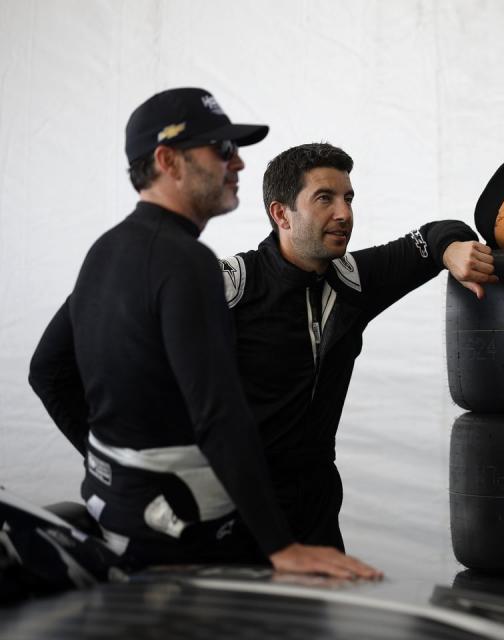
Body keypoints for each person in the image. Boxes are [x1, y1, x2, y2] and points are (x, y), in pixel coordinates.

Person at [28, 88, 379, 579]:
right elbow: (218, 413)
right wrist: (281, 546)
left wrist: (108, 466)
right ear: (168, 160)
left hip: (122, 523)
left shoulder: (106, 251)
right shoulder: (185, 262)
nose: (236, 164)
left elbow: (46, 372)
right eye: (221, 150)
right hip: (184, 543)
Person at [219, 142, 496, 552]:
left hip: (314, 515)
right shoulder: (232, 286)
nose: (344, 214)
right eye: (324, 199)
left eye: (348, 198)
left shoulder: (354, 280)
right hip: (230, 517)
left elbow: (435, 234)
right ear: (281, 214)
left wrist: (451, 249)